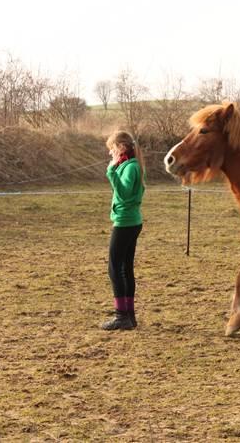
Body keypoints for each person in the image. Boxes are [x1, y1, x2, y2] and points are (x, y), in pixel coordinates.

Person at [102, 131, 146, 330]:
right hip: (131, 221)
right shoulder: (131, 165)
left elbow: (125, 193)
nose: (110, 153)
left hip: (125, 222)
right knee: (125, 268)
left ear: (121, 148)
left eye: (112, 149)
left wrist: (111, 172)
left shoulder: (130, 168)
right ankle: (129, 316)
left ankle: (122, 316)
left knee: (114, 269)